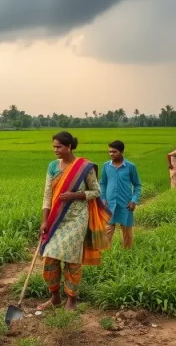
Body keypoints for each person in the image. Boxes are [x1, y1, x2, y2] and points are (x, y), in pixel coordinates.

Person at [38, 131, 110, 311]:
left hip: (77, 219)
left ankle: (72, 298)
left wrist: (75, 195)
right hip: (56, 219)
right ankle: (55, 297)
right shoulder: (53, 167)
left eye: (59, 146)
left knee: (72, 259)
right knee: (49, 258)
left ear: (69, 146)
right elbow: (47, 195)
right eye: (54, 146)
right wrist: (44, 221)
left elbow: (96, 192)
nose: (55, 150)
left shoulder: (84, 167)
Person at [100, 140, 142, 249]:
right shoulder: (106, 166)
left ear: (122, 151)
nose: (111, 154)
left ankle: (127, 254)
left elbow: (137, 185)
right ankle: (106, 255)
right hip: (109, 204)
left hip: (126, 204)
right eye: (110, 152)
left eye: (114, 152)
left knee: (127, 232)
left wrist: (134, 200)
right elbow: (103, 183)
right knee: (107, 231)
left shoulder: (130, 167)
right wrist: (103, 198)